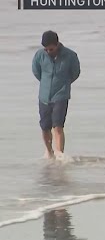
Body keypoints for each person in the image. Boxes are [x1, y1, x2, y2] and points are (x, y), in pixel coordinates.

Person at [32, 31, 81, 159]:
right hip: (44, 96)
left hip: (61, 95)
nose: (48, 51)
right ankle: (49, 152)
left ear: (57, 44)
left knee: (58, 126)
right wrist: (46, 83)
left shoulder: (70, 55)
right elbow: (36, 72)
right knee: (45, 127)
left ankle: (59, 154)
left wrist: (63, 84)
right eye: (46, 49)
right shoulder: (39, 55)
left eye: (51, 49)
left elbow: (75, 73)